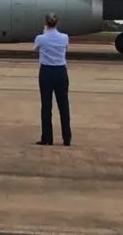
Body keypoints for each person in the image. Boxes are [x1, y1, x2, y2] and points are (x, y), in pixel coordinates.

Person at [33, 12, 72, 146]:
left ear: (46, 23)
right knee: (63, 105)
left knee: (46, 106)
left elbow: (36, 49)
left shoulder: (40, 38)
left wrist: (44, 33)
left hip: (46, 72)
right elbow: (66, 48)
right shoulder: (64, 37)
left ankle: (47, 138)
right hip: (61, 71)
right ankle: (67, 138)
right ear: (57, 23)